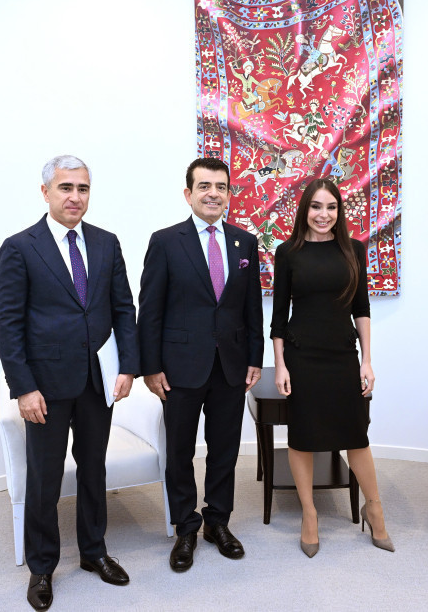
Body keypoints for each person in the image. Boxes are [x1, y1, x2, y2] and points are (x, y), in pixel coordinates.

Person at [0, 155, 139, 610]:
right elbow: (8, 325)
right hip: (45, 387)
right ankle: (42, 567)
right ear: (46, 192)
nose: (75, 197)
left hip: (97, 382)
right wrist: (23, 388)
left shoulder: (107, 243)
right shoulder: (20, 247)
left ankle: (94, 551)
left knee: (94, 469)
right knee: (45, 478)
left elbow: (123, 309)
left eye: (83, 188)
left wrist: (128, 367)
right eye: (66, 187)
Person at [138, 157, 264, 573]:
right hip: (179, 367)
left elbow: (251, 307)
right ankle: (186, 528)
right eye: (205, 186)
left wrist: (255, 357)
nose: (214, 193)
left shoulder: (244, 242)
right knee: (179, 451)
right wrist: (150, 366)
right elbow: (150, 310)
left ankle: (218, 522)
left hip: (231, 365)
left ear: (229, 194)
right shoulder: (165, 241)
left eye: (221, 187)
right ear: (188, 193)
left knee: (225, 449)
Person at [270, 178, 394, 557]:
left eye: (331, 207)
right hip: (302, 357)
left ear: (339, 212)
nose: (323, 215)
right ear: (304, 210)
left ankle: (374, 509)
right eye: (316, 206)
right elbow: (278, 317)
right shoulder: (288, 252)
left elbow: (362, 308)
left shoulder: (353, 250)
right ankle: (309, 515)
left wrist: (367, 360)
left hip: (342, 356)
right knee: (302, 437)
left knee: (356, 436)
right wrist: (280, 366)